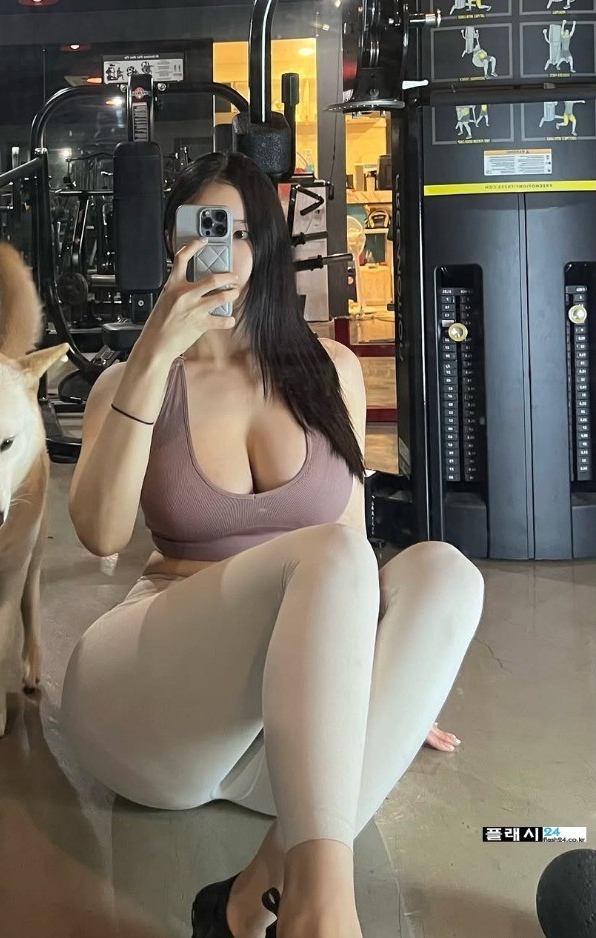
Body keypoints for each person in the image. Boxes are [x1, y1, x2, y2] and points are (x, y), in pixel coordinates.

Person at [61, 152, 485, 938]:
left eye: (244, 232)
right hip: (155, 705)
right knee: (327, 555)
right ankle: (320, 914)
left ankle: (250, 896)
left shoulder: (331, 372)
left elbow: (352, 542)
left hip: (282, 753)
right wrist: (153, 352)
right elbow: (100, 533)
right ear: (174, 241)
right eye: (206, 229)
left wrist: (396, 682)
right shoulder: (131, 379)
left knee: (446, 573)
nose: (224, 251)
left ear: (271, 249)